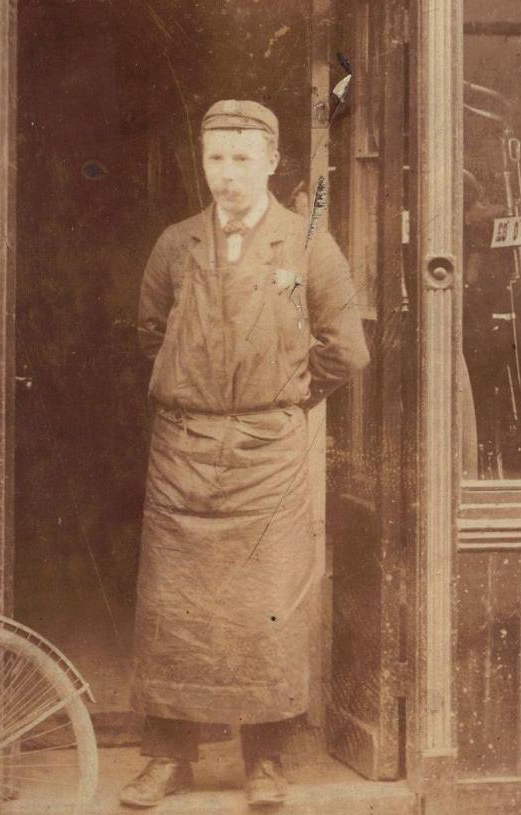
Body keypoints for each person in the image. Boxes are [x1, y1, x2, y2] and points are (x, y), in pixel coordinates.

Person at [120, 99, 370, 809]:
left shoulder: (308, 244)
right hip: (183, 454)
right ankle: (169, 757)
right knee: (175, 609)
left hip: (268, 455)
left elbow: (348, 349)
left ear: (270, 162)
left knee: (265, 609)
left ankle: (266, 761)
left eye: (240, 159)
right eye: (214, 158)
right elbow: (149, 334)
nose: (226, 175)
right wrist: (199, 392)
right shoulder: (176, 245)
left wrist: (285, 395)